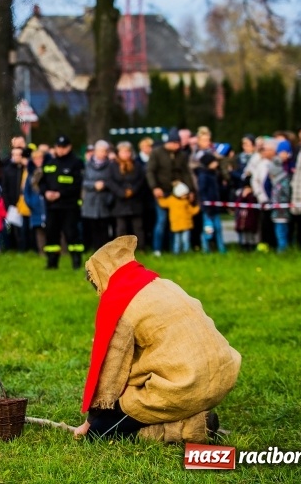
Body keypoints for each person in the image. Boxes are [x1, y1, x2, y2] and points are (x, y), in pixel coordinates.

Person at [75, 236, 240, 442]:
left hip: (185, 384)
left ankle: (190, 428)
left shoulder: (119, 304)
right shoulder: (162, 284)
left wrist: (91, 421)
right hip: (222, 375)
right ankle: (189, 413)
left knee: (101, 432)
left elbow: (110, 373)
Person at [146, 129, 195, 256]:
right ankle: (157, 249)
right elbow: (150, 171)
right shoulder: (156, 153)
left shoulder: (181, 155)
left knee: (176, 222)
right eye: (176, 143)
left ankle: (175, 249)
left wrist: (190, 190)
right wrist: (154, 187)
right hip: (162, 193)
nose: (178, 146)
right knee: (161, 221)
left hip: (179, 194)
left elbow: (186, 173)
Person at [38, 135, 85, 269]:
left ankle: (76, 262)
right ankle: (52, 263)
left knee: (71, 234)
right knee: (51, 235)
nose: (61, 150)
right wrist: (46, 192)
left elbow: (78, 185)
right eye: (58, 147)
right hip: (52, 207)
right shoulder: (50, 163)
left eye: (64, 147)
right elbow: (42, 183)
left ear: (69, 147)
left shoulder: (77, 163)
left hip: (69, 206)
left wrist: (60, 194)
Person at [106, 141, 146, 250]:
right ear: (118, 153)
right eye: (124, 152)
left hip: (135, 201)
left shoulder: (137, 165)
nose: (126, 154)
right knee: (121, 228)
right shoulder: (113, 166)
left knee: (138, 227)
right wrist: (122, 192)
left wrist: (133, 191)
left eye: (128, 151)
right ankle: (121, 250)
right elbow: (110, 182)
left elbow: (141, 180)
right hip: (120, 202)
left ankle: (140, 248)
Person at [82, 140, 114, 252]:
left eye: (106, 151)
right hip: (90, 202)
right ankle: (93, 251)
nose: (104, 153)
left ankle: (105, 253)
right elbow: (83, 182)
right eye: (102, 151)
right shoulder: (86, 165)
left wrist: (105, 185)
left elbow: (114, 181)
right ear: (95, 151)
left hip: (105, 202)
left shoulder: (111, 166)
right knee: (91, 228)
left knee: (104, 229)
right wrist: (94, 185)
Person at [196, 153, 226, 254]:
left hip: (215, 206)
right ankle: (206, 249)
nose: (216, 164)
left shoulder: (214, 174)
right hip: (207, 208)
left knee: (218, 228)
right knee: (208, 229)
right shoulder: (203, 175)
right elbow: (202, 191)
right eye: (214, 162)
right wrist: (206, 204)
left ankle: (221, 248)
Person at [157, 182, 199, 254]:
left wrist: (197, 208)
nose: (186, 196)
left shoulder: (185, 202)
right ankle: (177, 253)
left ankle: (186, 252)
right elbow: (163, 203)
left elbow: (191, 211)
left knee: (185, 240)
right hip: (177, 225)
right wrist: (159, 197)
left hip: (185, 225)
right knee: (177, 240)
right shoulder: (171, 200)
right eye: (184, 194)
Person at [268, 152, 292, 253]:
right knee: (278, 231)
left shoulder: (284, 181)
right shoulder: (275, 182)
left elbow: (287, 195)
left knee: (282, 231)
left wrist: (280, 203)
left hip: (283, 211)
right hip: (276, 211)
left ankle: (283, 250)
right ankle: (281, 248)